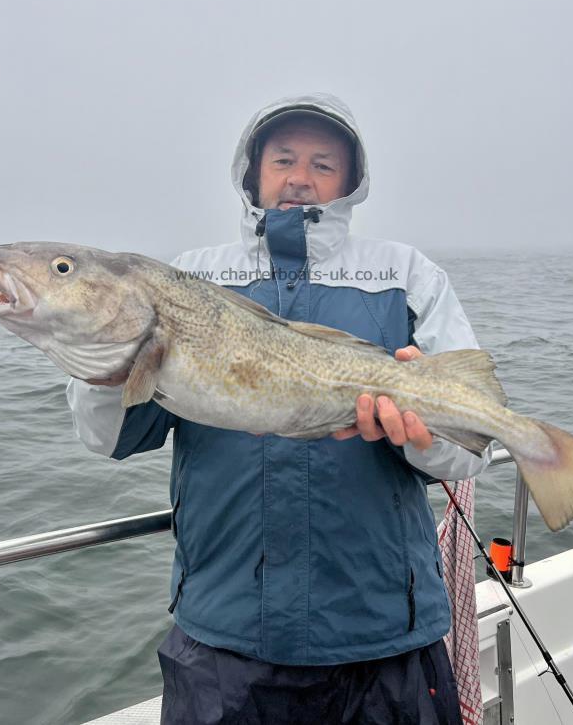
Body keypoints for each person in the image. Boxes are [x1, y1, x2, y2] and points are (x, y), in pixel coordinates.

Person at [67, 93, 492, 725]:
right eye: (283, 159)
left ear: (350, 182)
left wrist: (417, 437)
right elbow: (114, 439)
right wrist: (104, 364)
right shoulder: (189, 279)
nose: (300, 177)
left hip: (382, 636)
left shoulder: (406, 274)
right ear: (253, 172)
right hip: (224, 634)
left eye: (323, 163)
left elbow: (468, 448)